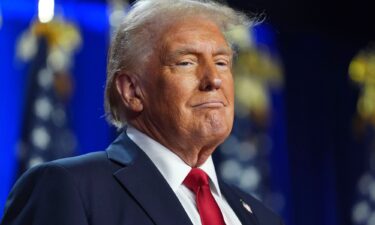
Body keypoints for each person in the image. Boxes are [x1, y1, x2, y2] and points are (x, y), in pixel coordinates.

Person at [1, 0, 284, 224]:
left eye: (222, 62)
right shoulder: (70, 189)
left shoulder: (260, 217)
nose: (215, 79)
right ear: (132, 91)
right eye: (186, 62)